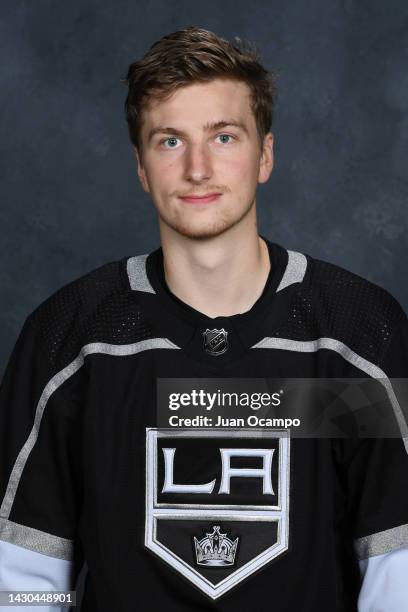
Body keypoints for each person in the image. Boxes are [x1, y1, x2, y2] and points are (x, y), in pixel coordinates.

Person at [1, 25, 407, 611]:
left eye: (223, 137)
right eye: (169, 141)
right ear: (141, 167)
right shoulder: (72, 340)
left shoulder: (356, 335)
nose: (197, 168)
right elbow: (23, 578)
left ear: (264, 154)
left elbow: (395, 569)